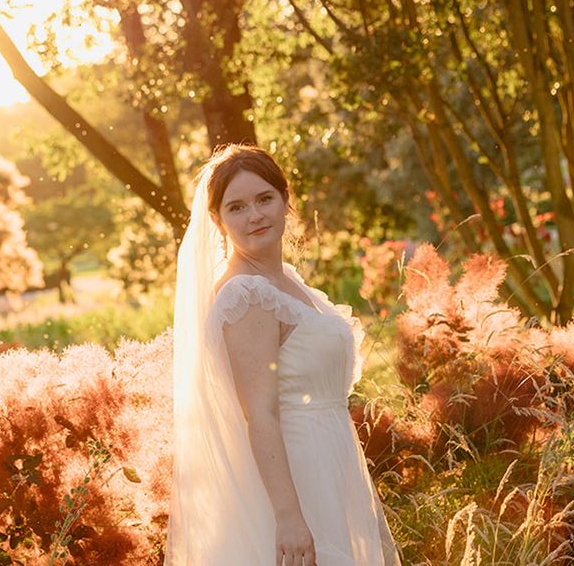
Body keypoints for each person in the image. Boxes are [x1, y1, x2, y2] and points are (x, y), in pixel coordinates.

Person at [165, 144, 400, 566]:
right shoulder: (246, 295)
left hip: (330, 466)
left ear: (285, 201)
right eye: (236, 207)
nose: (254, 215)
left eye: (264, 199)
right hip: (294, 477)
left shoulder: (285, 280)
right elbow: (260, 414)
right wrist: (289, 517)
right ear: (217, 221)